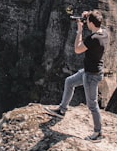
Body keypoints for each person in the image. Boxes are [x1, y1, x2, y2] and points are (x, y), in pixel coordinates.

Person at [47, 10, 109, 141]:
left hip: (91, 75)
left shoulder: (92, 39)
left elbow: (77, 49)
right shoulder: (104, 34)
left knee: (92, 104)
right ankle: (62, 110)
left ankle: (98, 133)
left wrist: (79, 30)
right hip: (91, 71)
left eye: (87, 21)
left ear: (91, 23)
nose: (86, 23)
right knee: (69, 82)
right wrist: (88, 15)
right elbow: (96, 20)